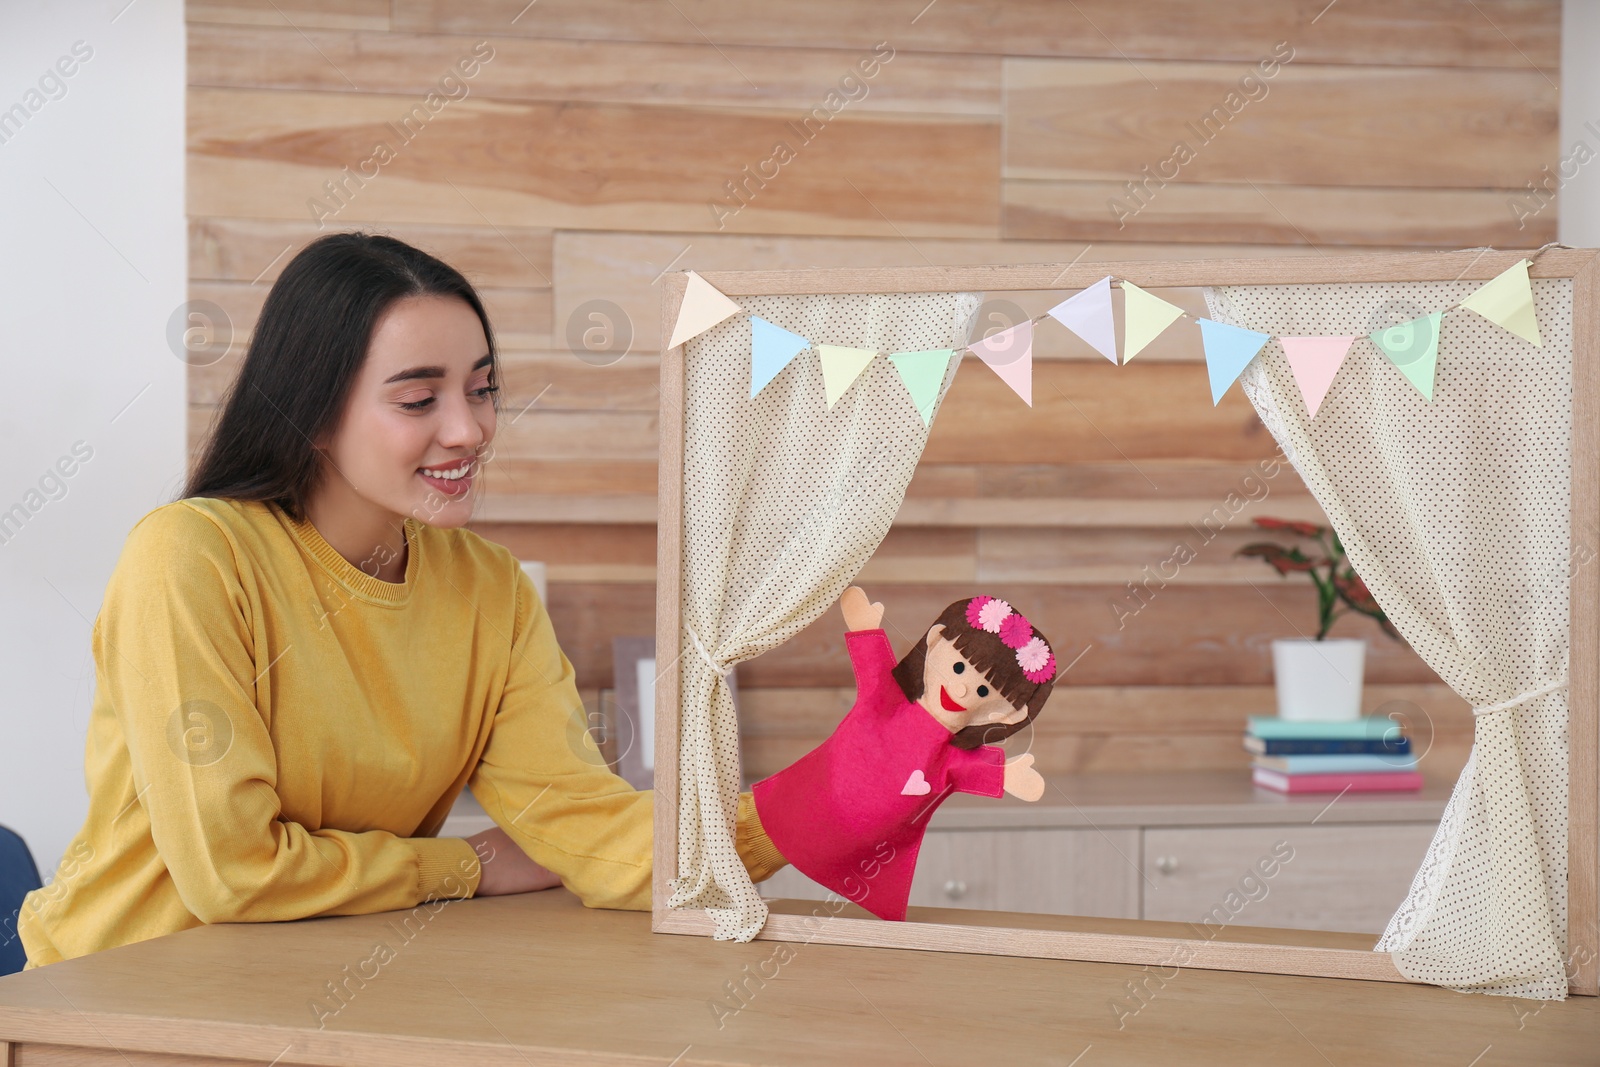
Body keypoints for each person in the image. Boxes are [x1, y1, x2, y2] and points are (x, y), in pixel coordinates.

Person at [17, 233, 787, 968]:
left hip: (306, 990)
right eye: (419, 398)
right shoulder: (189, 558)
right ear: (312, 411)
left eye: (483, 389)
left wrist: (836, 794)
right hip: (110, 999)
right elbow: (233, 873)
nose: (470, 428)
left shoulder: (492, 590)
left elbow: (592, 835)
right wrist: (464, 865)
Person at [751, 587, 1054, 921]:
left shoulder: (948, 759)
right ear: (936, 642)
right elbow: (875, 668)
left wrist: (1007, 775)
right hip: (780, 810)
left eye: (983, 691)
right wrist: (865, 630)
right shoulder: (885, 701)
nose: (963, 689)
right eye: (957, 669)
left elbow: (972, 769)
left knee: (747, 860)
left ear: (1006, 715)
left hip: (824, 849)